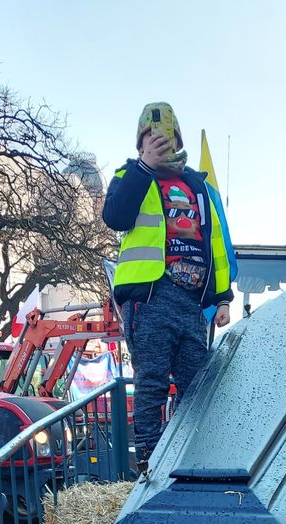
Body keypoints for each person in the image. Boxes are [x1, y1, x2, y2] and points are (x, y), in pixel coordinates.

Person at [102, 102, 233, 469]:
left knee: (196, 385)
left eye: (165, 136)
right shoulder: (131, 175)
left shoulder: (198, 186)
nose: (158, 142)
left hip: (191, 302)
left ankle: (189, 459)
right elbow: (115, 216)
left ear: (177, 139)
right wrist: (144, 167)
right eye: (149, 137)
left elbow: (216, 244)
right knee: (153, 380)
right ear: (140, 143)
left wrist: (222, 296)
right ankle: (148, 461)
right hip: (150, 295)